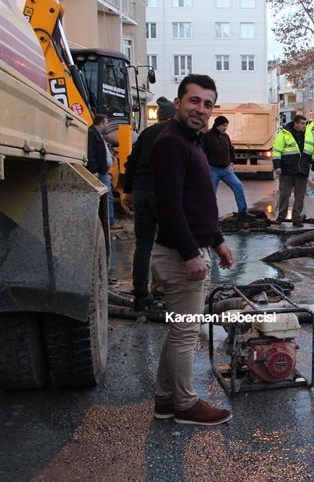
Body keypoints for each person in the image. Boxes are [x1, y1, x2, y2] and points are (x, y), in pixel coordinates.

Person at [149, 74, 234, 426]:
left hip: (191, 248)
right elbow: (169, 207)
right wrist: (189, 254)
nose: (201, 109)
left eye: (207, 104)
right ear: (179, 102)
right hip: (179, 254)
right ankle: (185, 405)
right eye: (194, 101)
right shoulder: (172, 143)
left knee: (178, 332)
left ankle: (165, 400)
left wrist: (217, 240)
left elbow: (198, 202)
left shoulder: (192, 141)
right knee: (185, 334)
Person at [122, 96, 175, 312]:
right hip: (164, 192)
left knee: (143, 244)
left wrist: (127, 191)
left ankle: (140, 296)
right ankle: (161, 290)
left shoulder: (146, 133)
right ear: (172, 116)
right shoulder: (175, 134)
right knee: (166, 244)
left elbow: (131, 162)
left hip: (141, 190)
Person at [272, 114, 314, 227]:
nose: (304, 126)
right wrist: (277, 166)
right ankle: (281, 217)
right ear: (295, 123)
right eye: (302, 123)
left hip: (302, 169)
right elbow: (277, 150)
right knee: (284, 194)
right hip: (287, 169)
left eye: (305, 123)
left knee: (300, 195)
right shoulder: (284, 134)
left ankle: (296, 218)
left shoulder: (309, 134)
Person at [202, 115, 248, 216]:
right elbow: (200, 151)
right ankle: (210, 215)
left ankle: (243, 211)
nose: (225, 128)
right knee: (211, 192)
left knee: (238, 185)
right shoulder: (207, 136)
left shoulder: (225, 136)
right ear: (217, 125)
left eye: (226, 125)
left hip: (226, 169)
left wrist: (232, 162)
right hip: (213, 169)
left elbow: (231, 149)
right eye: (223, 125)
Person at [87, 114, 117, 229]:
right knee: (107, 196)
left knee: (107, 196)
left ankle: (108, 221)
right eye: (106, 123)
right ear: (101, 123)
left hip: (102, 171)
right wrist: (94, 170)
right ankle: (109, 222)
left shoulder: (97, 134)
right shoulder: (92, 134)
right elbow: (91, 153)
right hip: (99, 171)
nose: (107, 125)